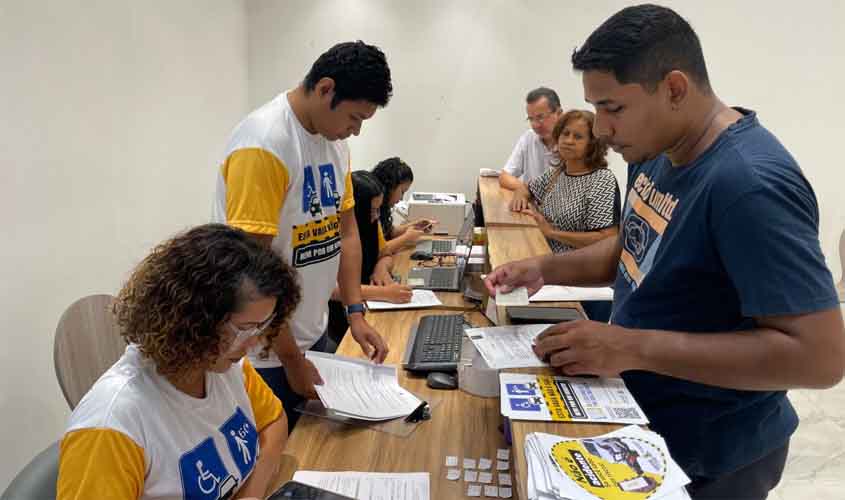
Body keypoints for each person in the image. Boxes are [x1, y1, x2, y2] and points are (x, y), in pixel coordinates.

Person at [485, 5, 844, 499]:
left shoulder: (748, 184)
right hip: (647, 422)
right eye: (596, 109)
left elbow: (820, 358)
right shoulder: (655, 151)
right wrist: (544, 266)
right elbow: (634, 252)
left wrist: (628, 346)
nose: (602, 129)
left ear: (674, 88)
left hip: (717, 452)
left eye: (613, 108)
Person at [212, 41, 392, 430]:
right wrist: (291, 359)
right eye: (354, 118)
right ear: (325, 89)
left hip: (311, 335)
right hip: (264, 353)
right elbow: (250, 276)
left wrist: (356, 312)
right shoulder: (265, 145)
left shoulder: (335, 145)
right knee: (281, 462)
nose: (356, 132)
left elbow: (347, 234)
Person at [57, 224, 299, 500]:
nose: (254, 342)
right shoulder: (111, 426)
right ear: (194, 320)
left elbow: (274, 422)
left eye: (262, 326)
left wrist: (251, 493)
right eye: (245, 328)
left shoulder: (225, 366)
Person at [510, 110, 620, 253]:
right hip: (542, 254)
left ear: (592, 144)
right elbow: (527, 188)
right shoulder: (558, 172)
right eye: (565, 134)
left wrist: (552, 233)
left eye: (578, 137)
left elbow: (607, 239)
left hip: (574, 269)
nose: (568, 141)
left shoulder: (602, 180)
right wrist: (520, 195)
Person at [326, 171, 413, 345]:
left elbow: (385, 254)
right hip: (339, 318)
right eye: (372, 210)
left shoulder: (372, 224)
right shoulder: (333, 232)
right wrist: (383, 293)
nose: (376, 216)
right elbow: (330, 290)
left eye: (379, 209)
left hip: (365, 305)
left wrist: (380, 268)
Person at [498, 87, 563, 190]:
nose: (535, 125)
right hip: (531, 203)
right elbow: (505, 177)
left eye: (540, 117)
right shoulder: (529, 137)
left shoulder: (572, 142)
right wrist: (529, 192)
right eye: (531, 119)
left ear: (559, 113)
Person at [371, 156, 436, 255]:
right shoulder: (371, 210)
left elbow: (389, 232)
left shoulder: (382, 209)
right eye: (402, 192)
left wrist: (414, 225)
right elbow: (376, 251)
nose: (401, 198)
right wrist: (407, 238)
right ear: (389, 186)